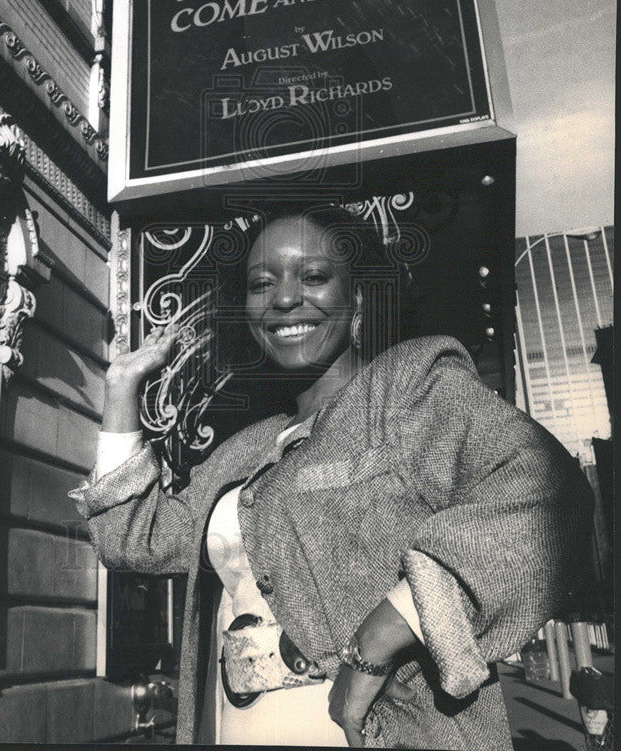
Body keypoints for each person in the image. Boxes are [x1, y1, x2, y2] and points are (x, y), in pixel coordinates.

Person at [70, 204, 594, 749]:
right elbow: (132, 538)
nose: (284, 298)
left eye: (314, 277)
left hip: (383, 732)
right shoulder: (245, 451)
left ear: (358, 299)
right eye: (261, 284)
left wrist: (389, 628)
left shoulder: (407, 389)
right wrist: (120, 388)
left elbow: (548, 496)